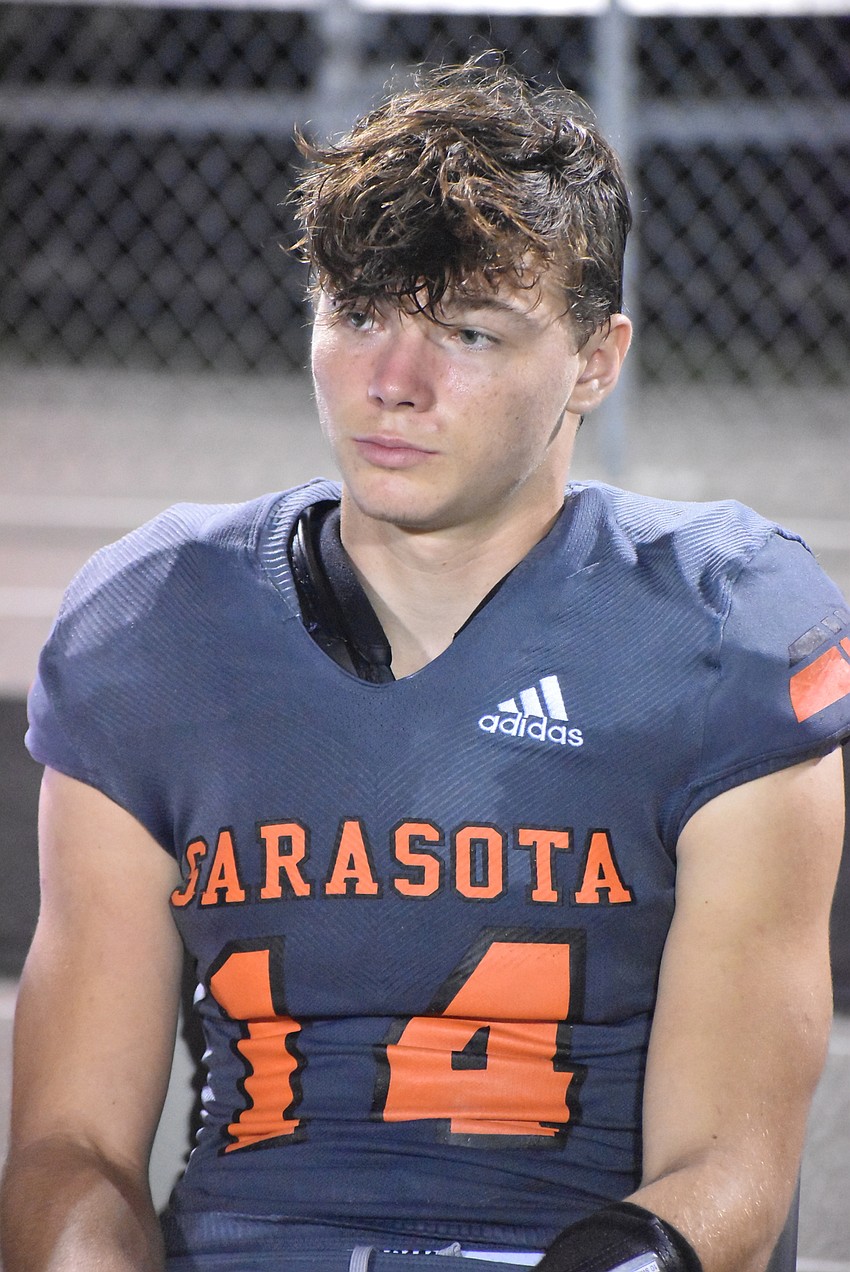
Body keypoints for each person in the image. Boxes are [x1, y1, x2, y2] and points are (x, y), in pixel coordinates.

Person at [1, 56, 848, 1272]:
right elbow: (67, 1146)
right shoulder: (154, 629)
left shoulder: (718, 631)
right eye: (356, 313)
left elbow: (727, 1172)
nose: (391, 385)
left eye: (465, 330)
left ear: (597, 361)